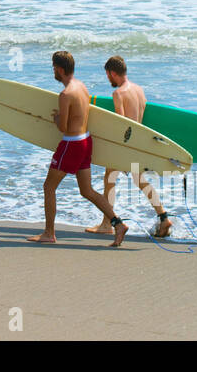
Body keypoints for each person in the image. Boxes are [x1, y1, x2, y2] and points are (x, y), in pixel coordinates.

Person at [26, 51, 128, 246]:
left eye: (54, 68)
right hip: (86, 141)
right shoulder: (81, 86)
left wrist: (56, 119)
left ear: (61, 69)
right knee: (87, 190)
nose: (53, 71)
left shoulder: (65, 95)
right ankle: (118, 223)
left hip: (71, 144)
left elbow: (64, 127)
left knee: (49, 187)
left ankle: (49, 233)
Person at [85, 56, 174, 238]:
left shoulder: (119, 94)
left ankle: (106, 224)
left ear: (112, 73)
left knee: (109, 180)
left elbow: (122, 125)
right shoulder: (139, 90)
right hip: (138, 146)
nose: (108, 79)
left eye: (108, 75)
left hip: (125, 147)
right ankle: (163, 217)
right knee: (140, 181)